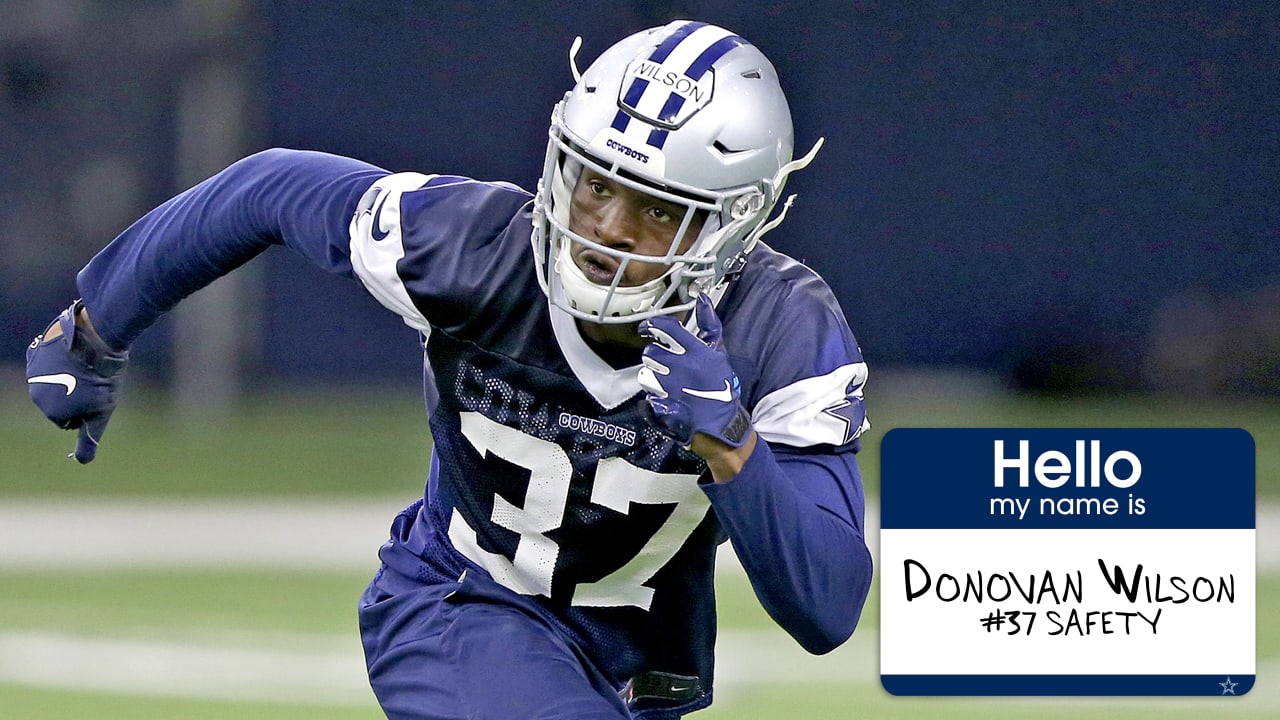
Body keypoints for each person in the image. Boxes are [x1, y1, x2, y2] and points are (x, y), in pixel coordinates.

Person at [25, 19, 873, 720]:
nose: (607, 228)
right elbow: (268, 189)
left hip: (636, 665)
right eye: (594, 185)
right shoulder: (471, 251)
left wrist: (730, 444)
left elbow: (826, 607)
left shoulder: (779, 330)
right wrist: (95, 323)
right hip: (458, 605)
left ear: (734, 225)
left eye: (656, 209)